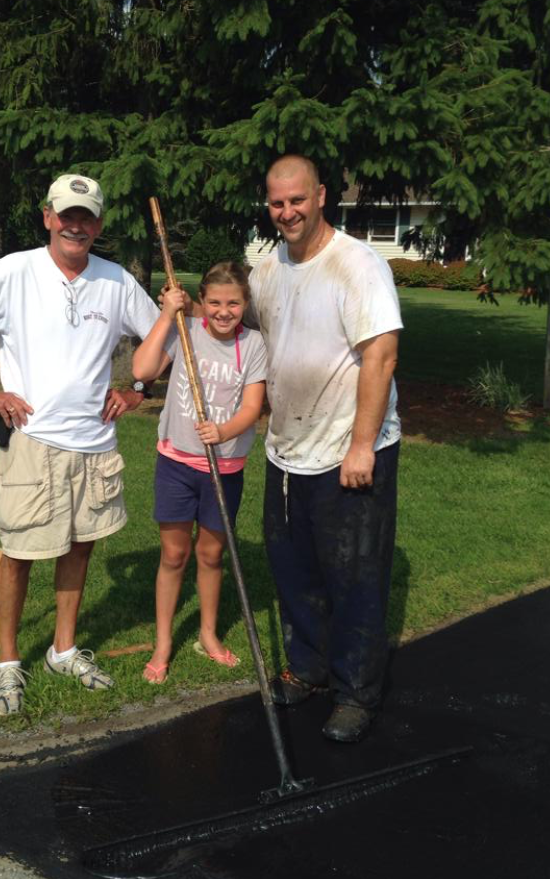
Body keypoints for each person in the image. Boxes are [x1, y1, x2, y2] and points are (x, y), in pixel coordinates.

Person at [0, 173, 164, 716]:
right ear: (48, 217)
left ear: (98, 225)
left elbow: (163, 336)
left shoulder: (116, 281)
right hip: (32, 440)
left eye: (87, 218)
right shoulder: (16, 271)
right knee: (19, 553)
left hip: (95, 443)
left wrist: (138, 389)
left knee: (80, 545)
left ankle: (63, 649)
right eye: (67, 215)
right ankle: (9, 662)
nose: (77, 226)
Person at [249, 154, 403, 742]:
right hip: (287, 450)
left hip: (349, 451)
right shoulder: (267, 270)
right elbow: (250, 334)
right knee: (294, 568)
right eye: (276, 202)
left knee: (355, 577)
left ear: (320, 197)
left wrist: (362, 447)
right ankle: (309, 667)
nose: (287, 212)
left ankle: (356, 691)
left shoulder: (357, 264)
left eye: (297, 200)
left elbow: (381, 356)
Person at [131, 262, 267, 684]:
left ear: (245, 304)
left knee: (211, 554)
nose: (224, 312)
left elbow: (253, 407)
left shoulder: (254, 344)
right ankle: (163, 642)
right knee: (174, 555)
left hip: (224, 469)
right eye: (215, 303)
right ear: (202, 302)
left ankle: (208, 633)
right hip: (177, 463)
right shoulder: (185, 330)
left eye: (233, 303)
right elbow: (142, 371)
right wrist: (166, 315)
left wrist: (223, 431)